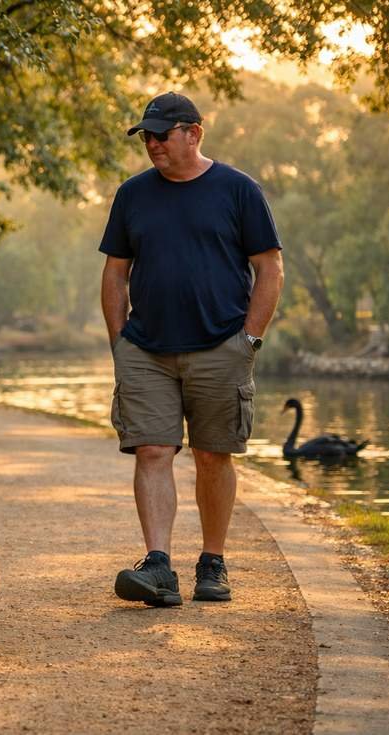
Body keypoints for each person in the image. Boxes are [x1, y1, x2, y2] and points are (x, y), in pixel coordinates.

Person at [99, 92, 284, 607]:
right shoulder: (132, 195)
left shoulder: (238, 190)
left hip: (220, 346)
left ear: (194, 133)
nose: (153, 144)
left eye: (162, 134)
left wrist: (249, 339)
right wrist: (119, 342)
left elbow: (269, 268)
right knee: (153, 450)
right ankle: (158, 566)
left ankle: (213, 562)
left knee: (212, 456)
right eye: (147, 137)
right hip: (146, 350)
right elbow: (116, 273)